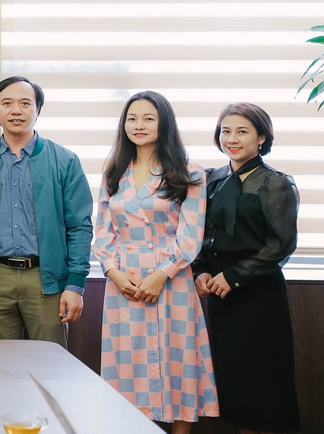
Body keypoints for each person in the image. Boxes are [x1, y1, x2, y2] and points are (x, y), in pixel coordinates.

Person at [93, 91, 217, 433]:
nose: (139, 125)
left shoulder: (189, 172)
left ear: (164, 123)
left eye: (149, 118)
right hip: (124, 280)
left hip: (172, 278)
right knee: (129, 364)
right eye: (132, 118)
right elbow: (102, 230)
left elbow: (191, 236)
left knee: (178, 359)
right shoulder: (114, 171)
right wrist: (113, 271)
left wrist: (161, 275)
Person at [193, 103, 300, 433]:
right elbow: (198, 231)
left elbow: (281, 244)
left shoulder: (276, 183)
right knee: (232, 379)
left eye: (242, 131)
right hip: (219, 293)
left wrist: (235, 276)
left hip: (257, 291)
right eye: (226, 131)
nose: (232, 139)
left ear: (262, 137)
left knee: (261, 381)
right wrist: (200, 270)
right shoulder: (210, 178)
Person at [0, 77, 93, 348]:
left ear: (38, 110)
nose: (16, 110)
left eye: (25, 103)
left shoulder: (65, 160)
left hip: (47, 279)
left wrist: (75, 285)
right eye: (7, 103)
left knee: (50, 364)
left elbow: (80, 227)